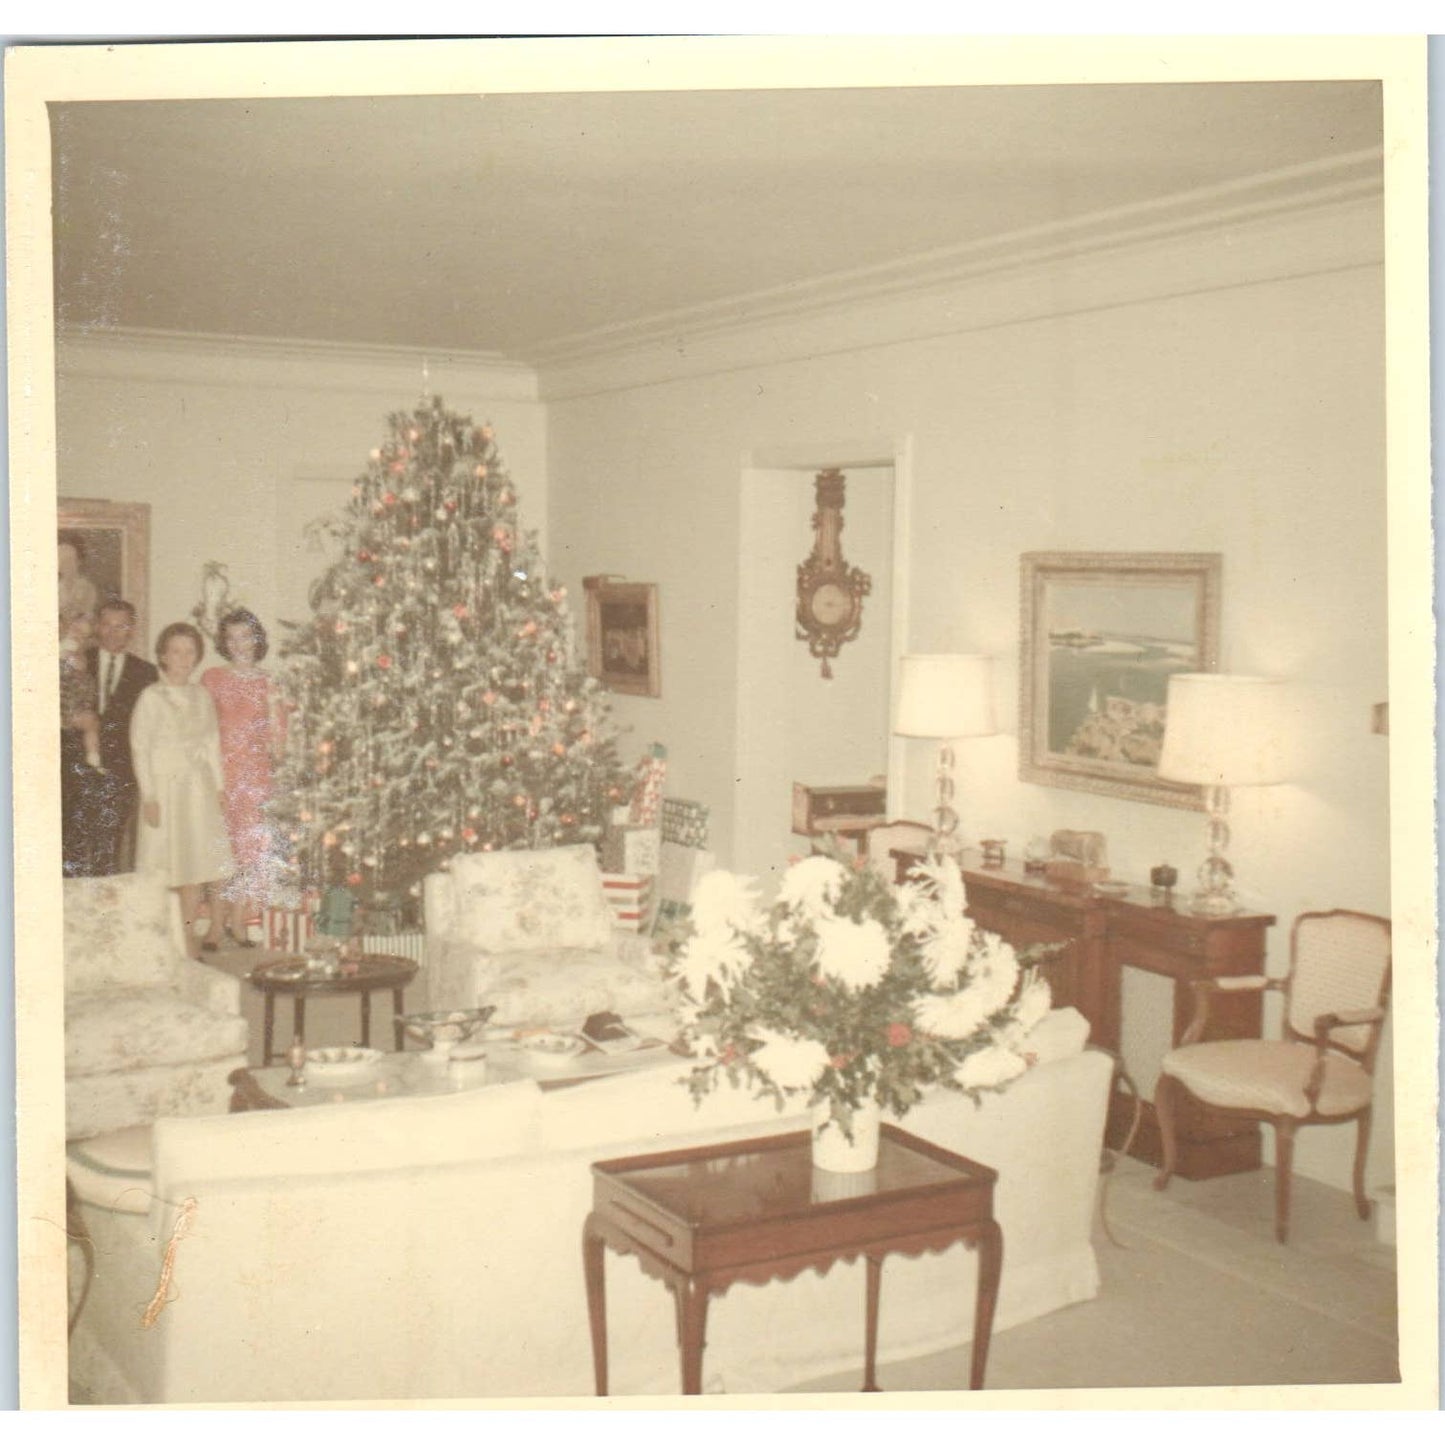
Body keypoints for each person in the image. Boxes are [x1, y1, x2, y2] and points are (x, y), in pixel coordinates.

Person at [130, 622, 234, 959]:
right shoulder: (150, 697)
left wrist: (219, 787)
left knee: (193, 865)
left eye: (189, 652)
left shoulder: (202, 695)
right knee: (162, 863)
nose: (183, 658)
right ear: (163, 655)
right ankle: (158, 940)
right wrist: (149, 795)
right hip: (163, 789)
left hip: (197, 789)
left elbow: (211, 743)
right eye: (175, 651)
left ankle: (188, 938)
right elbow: (140, 748)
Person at [201, 608, 285, 949]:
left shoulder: (270, 682)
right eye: (231, 638)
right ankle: (215, 925)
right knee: (219, 851)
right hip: (219, 776)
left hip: (255, 778)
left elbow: (279, 739)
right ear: (224, 642)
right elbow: (201, 730)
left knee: (247, 854)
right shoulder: (212, 678)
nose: (239, 644)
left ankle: (238, 922)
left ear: (257, 639)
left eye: (245, 636)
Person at [84, 599, 159, 874]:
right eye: (107, 624)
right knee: (73, 842)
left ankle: (105, 897)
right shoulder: (79, 661)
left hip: (122, 771)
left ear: (132, 630)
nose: (113, 633)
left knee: (112, 845)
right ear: (97, 626)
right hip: (77, 768)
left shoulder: (146, 673)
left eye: (121, 626)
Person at [60, 610, 105, 876]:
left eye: (85, 635)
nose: (79, 637)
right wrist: (70, 718)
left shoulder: (83, 659)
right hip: (60, 732)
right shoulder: (56, 654)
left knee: (76, 821)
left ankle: (93, 758)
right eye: (76, 629)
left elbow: (86, 693)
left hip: (76, 737)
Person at [58, 531, 100, 626]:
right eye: (61, 559)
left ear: (78, 561)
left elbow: (87, 619)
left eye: (69, 559)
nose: (64, 564)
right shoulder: (50, 588)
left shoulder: (88, 588)